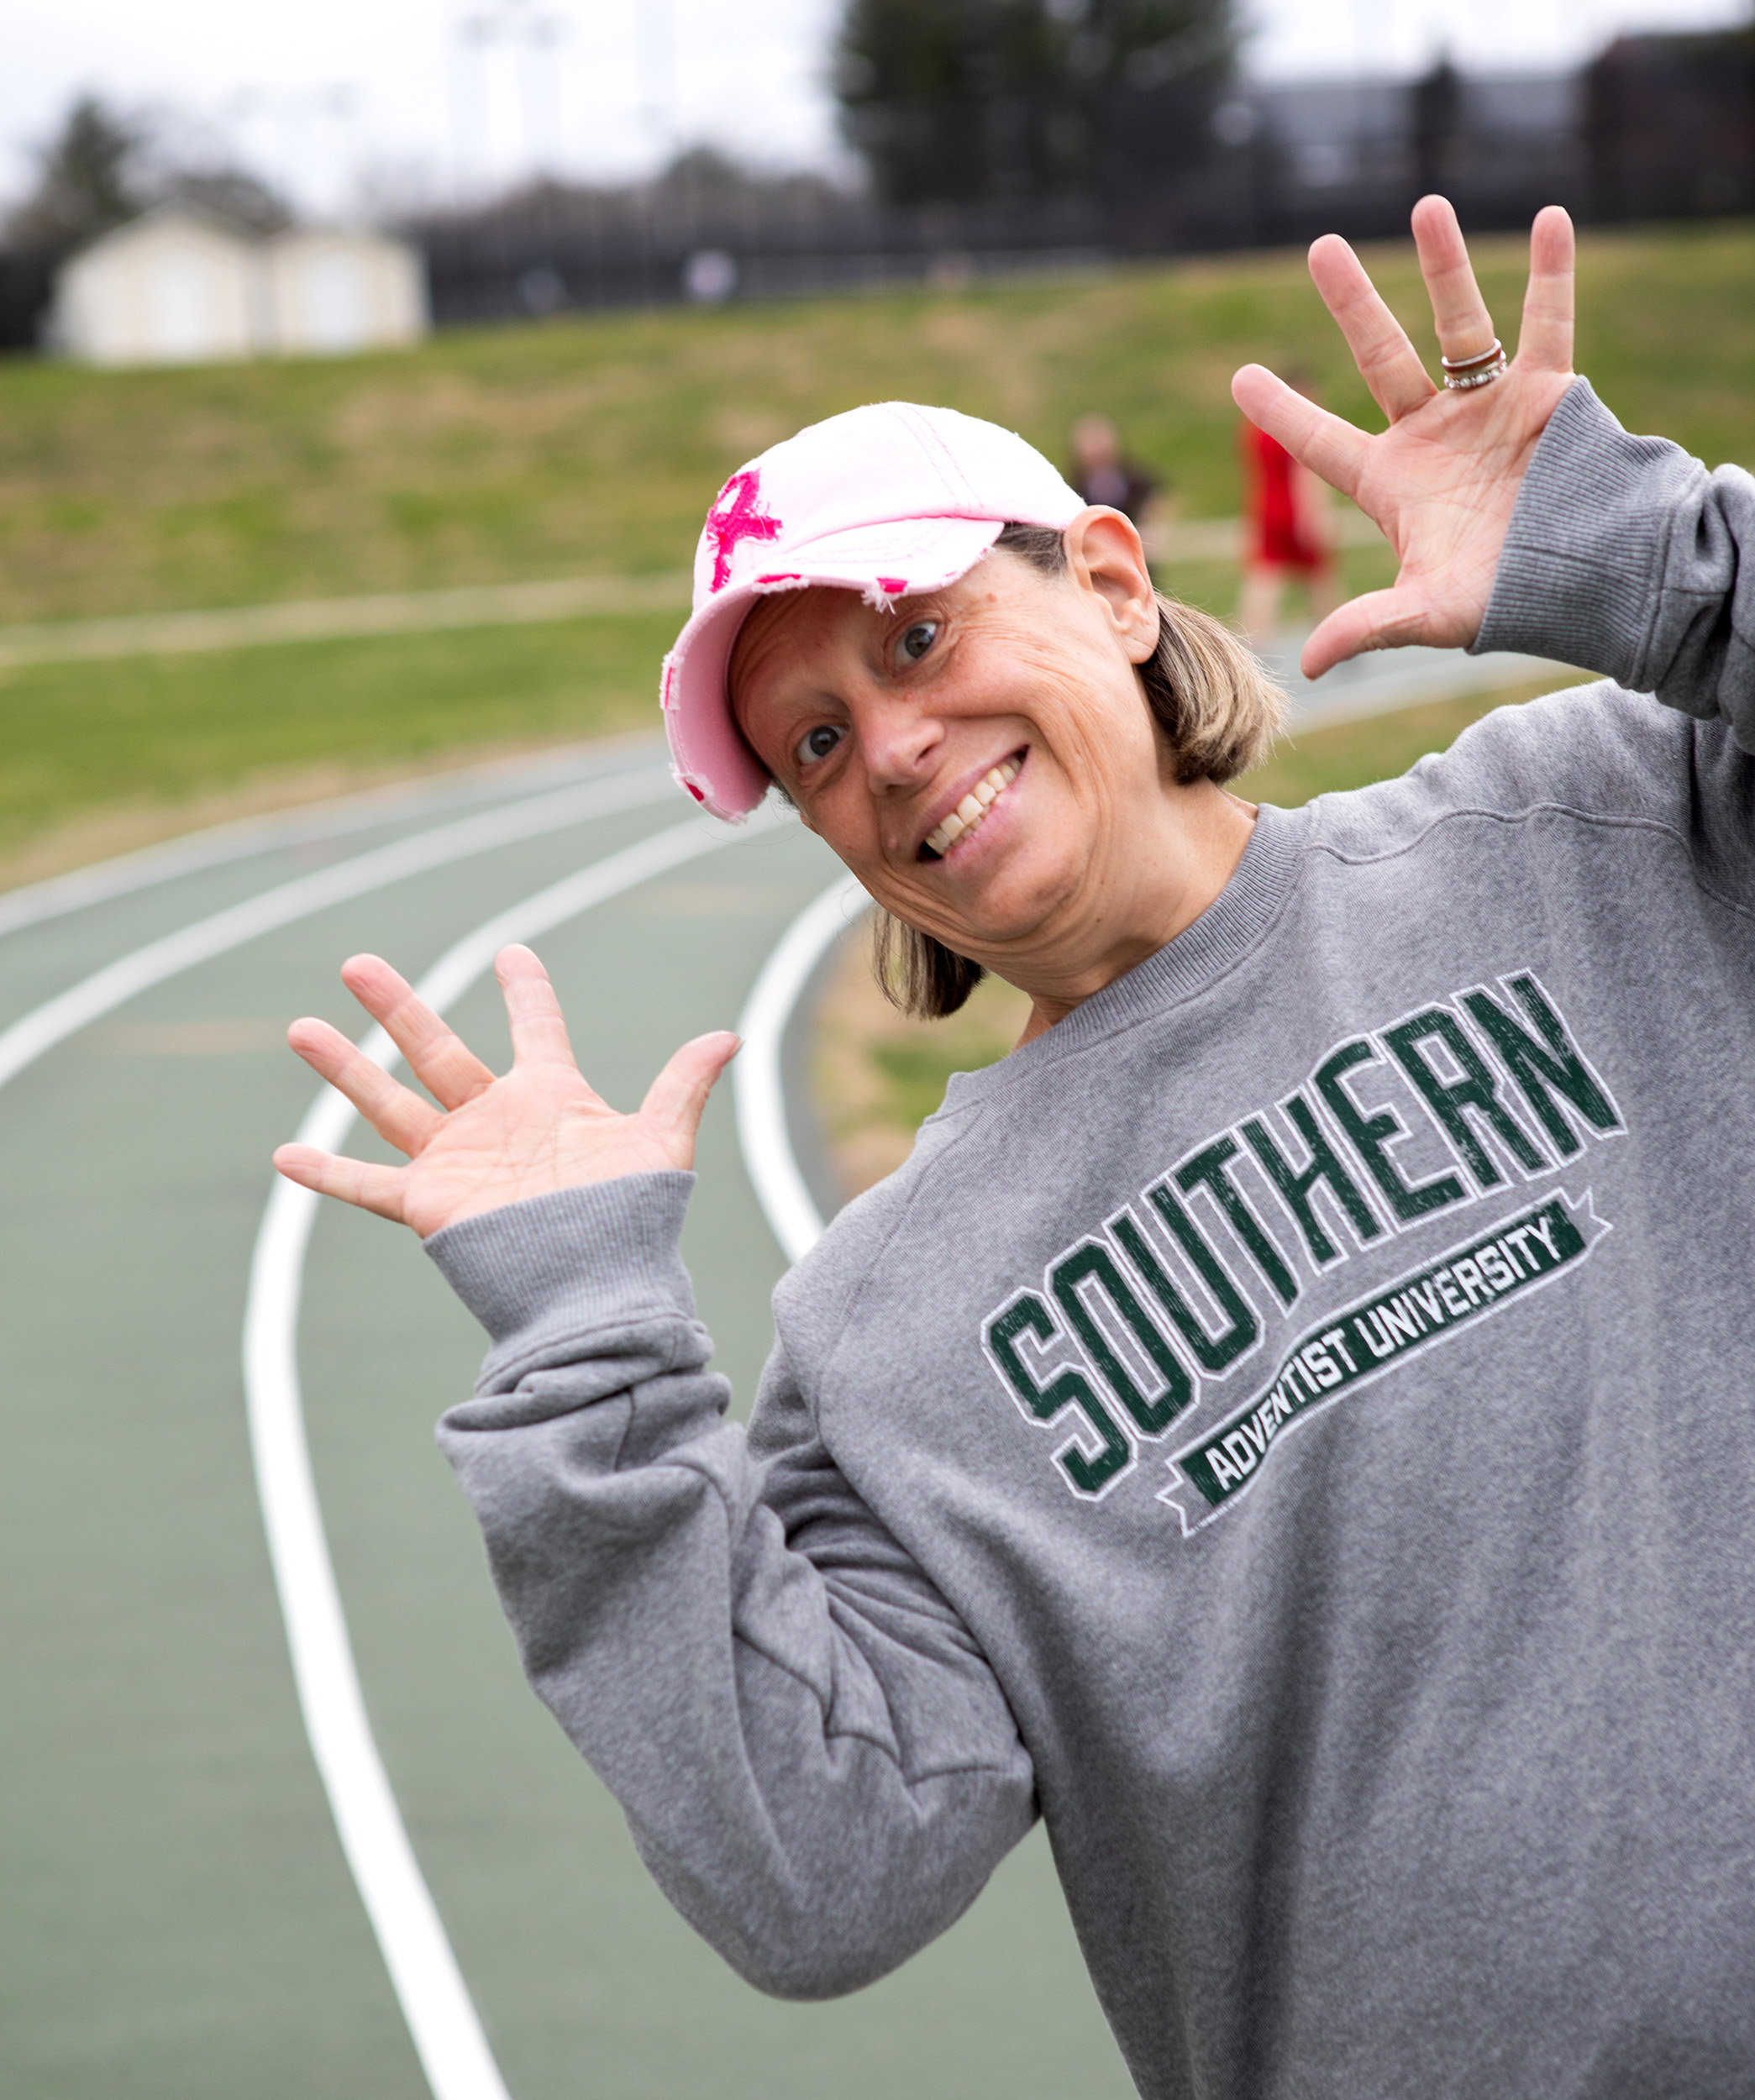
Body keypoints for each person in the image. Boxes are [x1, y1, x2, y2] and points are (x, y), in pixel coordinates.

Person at [274, 197, 1755, 2097]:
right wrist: (582, 1355)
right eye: (808, 742)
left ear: (1118, 586)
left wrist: (1650, 564)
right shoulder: (892, 1325)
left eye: (915, 637)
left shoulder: (1603, 827)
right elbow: (821, 1879)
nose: (884, 748)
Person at [1237, 367, 1342, 641]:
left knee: (1264, 579)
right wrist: (1316, 518)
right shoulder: (1299, 424)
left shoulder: (1255, 427)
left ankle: (1253, 640)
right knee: (1320, 578)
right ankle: (1340, 636)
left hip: (1268, 509)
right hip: (1295, 511)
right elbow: (1305, 473)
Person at [1069, 411, 1172, 570]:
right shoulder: (1077, 483)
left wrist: (1150, 531)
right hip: (1099, 553)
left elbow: (1158, 494)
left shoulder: (1130, 475)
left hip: (1134, 550)